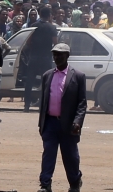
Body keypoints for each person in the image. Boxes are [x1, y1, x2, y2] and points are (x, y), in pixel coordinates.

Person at [37, 43, 87, 192]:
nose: (57, 57)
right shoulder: (47, 75)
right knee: (48, 154)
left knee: (70, 156)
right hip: (50, 123)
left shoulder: (78, 76)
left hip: (69, 124)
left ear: (67, 56)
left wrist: (78, 121)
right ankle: (45, 184)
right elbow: (44, 101)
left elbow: (82, 103)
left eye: (60, 54)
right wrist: (42, 124)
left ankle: (74, 182)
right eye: (55, 54)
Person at [23, 7, 58, 112]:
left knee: (29, 82)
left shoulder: (34, 26)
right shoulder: (52, 28)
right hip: (46, 57)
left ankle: (27, 105)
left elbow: (28, 42)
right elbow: (55, 43)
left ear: (40, 14)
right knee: (46, 82)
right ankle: (43, 105)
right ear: (49, 15)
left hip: (34, 57)